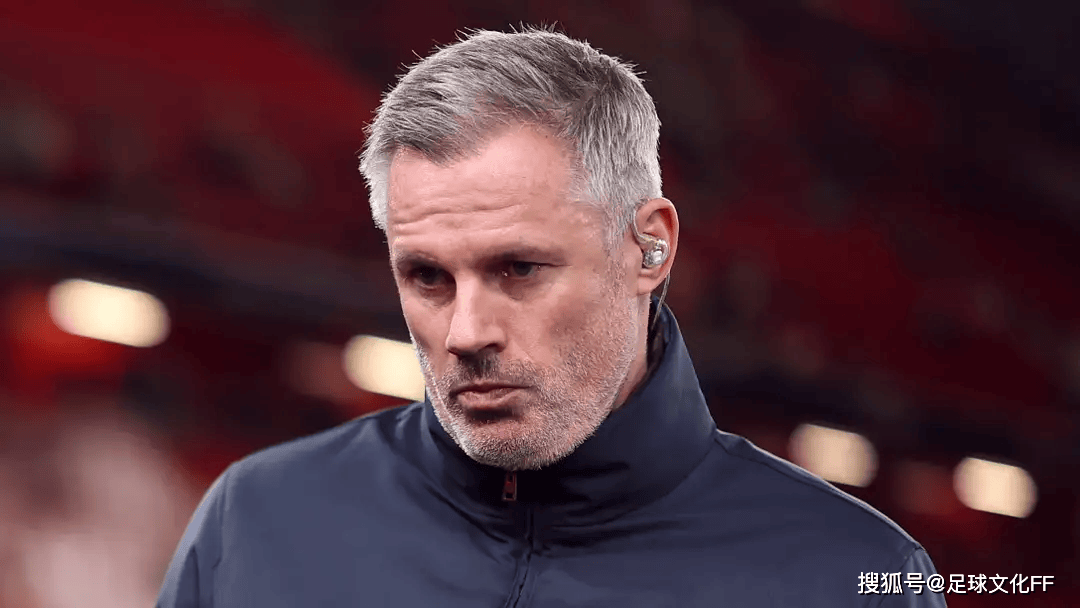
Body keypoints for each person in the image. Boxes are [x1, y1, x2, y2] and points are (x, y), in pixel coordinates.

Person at [157, 27, 946, 607]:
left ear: (649, 247)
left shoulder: (852, 575)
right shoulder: (254, 520)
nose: (466, 332)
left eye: (519, 269)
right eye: (427, 277)